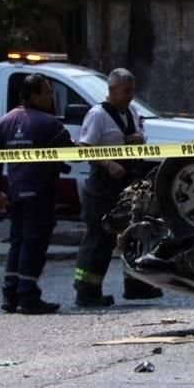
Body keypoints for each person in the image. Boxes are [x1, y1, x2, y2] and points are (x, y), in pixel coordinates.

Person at [74, 68, 163, 307]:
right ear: (112, 89)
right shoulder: (97, 115)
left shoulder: (131, 112)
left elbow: (139, 136)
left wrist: (137, 139)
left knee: (133, 234)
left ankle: (137, 286)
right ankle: (87, 290)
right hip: (103, 186)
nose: (130, 96)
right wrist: (108, 163)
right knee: (99, 238)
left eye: (132, 91)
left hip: (128, 185)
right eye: (126, 91)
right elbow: (84, 149)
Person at [0, 73, 75, 314]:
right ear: (34, 96)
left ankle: (10, 293)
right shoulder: (50, 125)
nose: (51, 97)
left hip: (15, 192)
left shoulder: (3, 123)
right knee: (34, 244)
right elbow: (70, 151)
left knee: (18, 242)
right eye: (47, 92)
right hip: (40, 192)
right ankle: (27, 295)